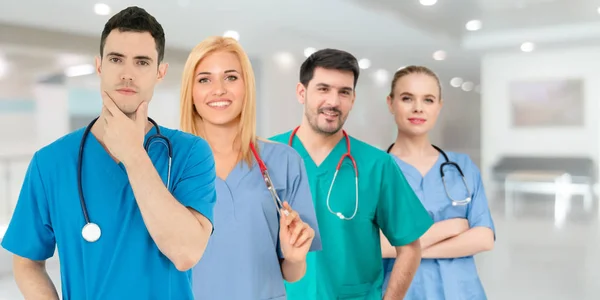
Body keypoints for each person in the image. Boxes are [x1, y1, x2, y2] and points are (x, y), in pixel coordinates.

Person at [1, 6, 217, 299]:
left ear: (160, 72)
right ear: (100, 65)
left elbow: (186, 252)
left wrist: (133, 153)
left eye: (142, 62)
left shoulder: (189, 153)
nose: (127, 74)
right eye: (117, 59)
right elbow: (26, 261)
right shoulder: (50, 162)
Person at [269, 48, 434, 300]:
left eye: (344, 92)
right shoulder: (264, 158)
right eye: (323, 89)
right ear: (302, 93)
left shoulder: (377, 165)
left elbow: (410, 248)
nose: (333, 102)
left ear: (353, 99)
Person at [178, 36, 322, 300]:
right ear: (191, 92)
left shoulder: (284, 161)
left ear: (247, 87)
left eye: (231, 77)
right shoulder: (167, 166)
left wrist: (294, 257)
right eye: (204, 79)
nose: (218, 89)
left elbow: (292, 272)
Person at [381, 65, 496, 299]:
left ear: (439, 107)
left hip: (462, 292)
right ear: (390, 103)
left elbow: (484, 238)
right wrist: (450, 228)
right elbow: (373, 246)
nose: (418, 108)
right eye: (407, 98)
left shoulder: (462, 167)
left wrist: (407, 252)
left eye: (429, 100)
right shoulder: (373, 170)